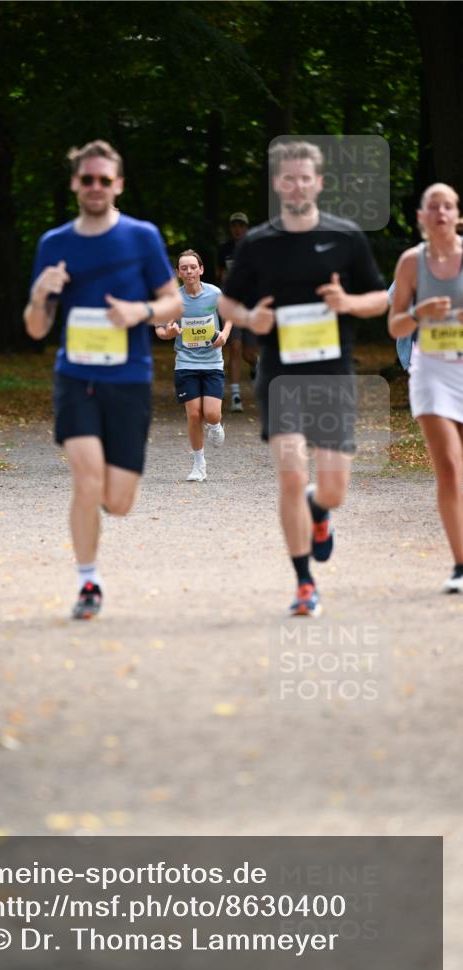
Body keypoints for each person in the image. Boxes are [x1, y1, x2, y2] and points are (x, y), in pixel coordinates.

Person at [219, 141, 387, 616]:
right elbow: (226, 304)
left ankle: (320, 511)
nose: (296, 185)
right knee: (291, 475)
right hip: (280, 374)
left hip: (332, 372)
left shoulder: (346, 236)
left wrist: (348, 304)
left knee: (332, 488)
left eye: (304, 178)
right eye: (287, 178)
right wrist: (252, 317)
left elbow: (381, 299)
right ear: (277, 184)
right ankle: (304, 583)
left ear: (319, 182)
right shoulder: (257, 243)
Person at [24, 139, 182, 619]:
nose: (95, 187)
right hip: (76, 377)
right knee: (87, 479)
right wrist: (39, 294)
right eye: (87, 179)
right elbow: (35, 327)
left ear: (118, 185)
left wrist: (141, 311)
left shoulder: (142, 236)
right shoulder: (55, 244)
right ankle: (87, 581)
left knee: (119, 500)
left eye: (104, 180)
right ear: (75, 183)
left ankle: (103, 522)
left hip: (129, 378)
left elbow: (174, 301)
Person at [389, 183, 463, 594]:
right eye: (433, 207)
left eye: (448, 206)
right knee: (450, 467)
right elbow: (395, 325)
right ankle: (459, 564)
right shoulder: (409, 263)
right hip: (431, 370)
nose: (440, 213)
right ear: (421, 217)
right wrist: (418, 312)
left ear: (457, 215)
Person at [155, 249, 232, 482]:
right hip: (185, 363)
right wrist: (168, 333)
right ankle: (199, 464)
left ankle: (216, 425)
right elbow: (159, 330)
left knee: (210, 413)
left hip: (212, 362)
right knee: (194, 414)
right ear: (178, 273)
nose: (189, 271)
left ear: (201, 270)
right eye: (184, 268)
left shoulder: (214, 293)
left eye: (192, 267)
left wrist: (225, 335)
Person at [217, 212, 257, 412]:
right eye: (234, 225)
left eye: (241, 225)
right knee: (235, 347)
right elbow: (219, 274)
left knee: (249, 353)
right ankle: (235, 397)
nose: (237, 229)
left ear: (247, 228)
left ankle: (255, 366)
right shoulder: (224, 250)